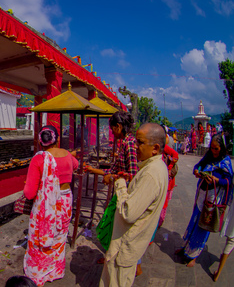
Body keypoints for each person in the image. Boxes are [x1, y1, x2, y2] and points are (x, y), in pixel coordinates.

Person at [99, 123, 168, 287]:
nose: (135, 146)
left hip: (125, 246)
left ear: (155, 148)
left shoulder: (151, 173)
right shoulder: (154, 167)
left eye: (140, 142)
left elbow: (128, 213)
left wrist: (120, 183)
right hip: (129, 245)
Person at [23, 125, 79, 286]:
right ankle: (55, 271)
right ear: (57, 139)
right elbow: (75, 165)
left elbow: (29, 193)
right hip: (65, 202)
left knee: (41, 236)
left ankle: (40, 273)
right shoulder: (68, 155)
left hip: (46, 206)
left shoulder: (39, 159)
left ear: (41, 142)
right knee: (60, 235)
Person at [85, 111, 138, 266]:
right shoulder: (124, 143)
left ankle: (119, 259)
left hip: (126, 195)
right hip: (119, 192)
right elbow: (113, 170)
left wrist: (113, 178)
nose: (112, 133)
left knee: (115, 227)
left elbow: (132, 175)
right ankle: (112, 255)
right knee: (113, 226)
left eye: (112, 129)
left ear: (119, 127)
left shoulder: (129, 143)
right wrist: (93, 170)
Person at [176, 133, 233, 267]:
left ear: (222, 148)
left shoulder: (225, 161)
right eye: (212, 148)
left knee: (203, 225)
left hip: (213, 197)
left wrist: (217, 180)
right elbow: (198, 166)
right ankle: (186, 248)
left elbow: (228, 181)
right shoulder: (208, 156)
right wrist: (197, 172)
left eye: (216, 149)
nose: (213, 151)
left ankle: (194, 255)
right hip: (202, 193)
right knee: (194, 221)